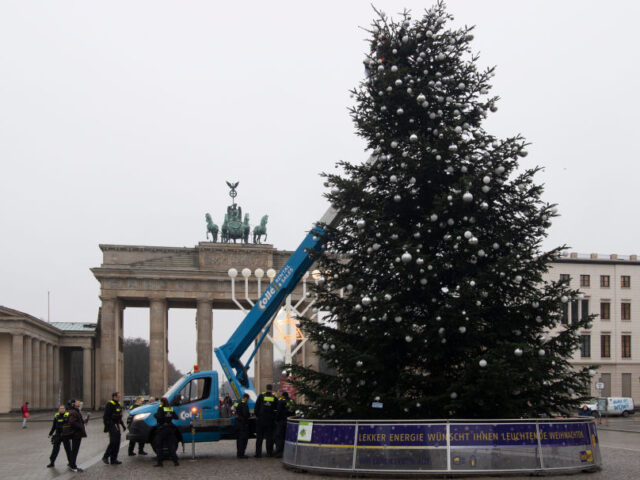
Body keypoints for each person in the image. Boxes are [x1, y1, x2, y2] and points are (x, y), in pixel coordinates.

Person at [153, 397, 179, 467]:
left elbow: (159, 418)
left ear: (162, 402)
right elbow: (176, 417)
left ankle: (159, 462)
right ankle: (175, 461)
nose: (160, 403)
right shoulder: (170, 408)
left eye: (160, 402)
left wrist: (155, 415)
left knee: (159, 446)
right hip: (170, 428)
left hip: (162, 429)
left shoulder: (160, 408)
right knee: (171, 446)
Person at [102, 392, 126, 465]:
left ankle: (114, 459)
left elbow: (119, 416)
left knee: (117, 442)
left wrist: (123, 425)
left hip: (117, 424)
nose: (119, 398)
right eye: (118, 397)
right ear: (114, 397)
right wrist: (108, 425)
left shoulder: (118, 405)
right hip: (112, 424)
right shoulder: (110, 404)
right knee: (113, 442)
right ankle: (105, 456)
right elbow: (106, 416)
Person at [254, 384, 277, 458]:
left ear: (266, 388)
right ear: (271, 389)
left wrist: (257, 416)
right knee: (269, 438)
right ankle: (269, 453)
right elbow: (276, 409)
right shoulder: (274, 398)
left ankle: (258, 454)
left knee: (259, 438)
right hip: (270, 421)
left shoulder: (261, 396)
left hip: (261, 420)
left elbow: (256, 407)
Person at [67, 399, 87, 473]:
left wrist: (84, 421)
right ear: (73, 404)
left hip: (77, 434)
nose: (79, 403)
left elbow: (78, 421)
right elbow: (72, 422)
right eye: (77, 402)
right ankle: (73, 466)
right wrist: (80, 426)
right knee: (74, 450)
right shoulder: (73, 412)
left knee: (75, 450)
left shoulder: (76, 411)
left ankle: (72, 464)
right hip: (76, 434)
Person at [273, 391, 294, 458]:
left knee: (279, 437)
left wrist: (276, 420)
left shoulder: (281, 401)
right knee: (287, 437)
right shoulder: (292, 401)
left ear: (283, 396)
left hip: (281, 422)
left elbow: (278, 412)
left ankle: (279, 453)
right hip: (290, 422)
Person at [234, 393, 250, 459]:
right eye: (248, 399)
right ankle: (241, 454)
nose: (248, 400)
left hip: (237, 424)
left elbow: (234, 410)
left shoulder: (237, 402)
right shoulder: (244, 404)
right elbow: (245, 414)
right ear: (246, 398)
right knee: (243, 440)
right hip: (243, 424)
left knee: (239, 440)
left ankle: (238, 453)